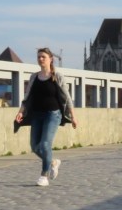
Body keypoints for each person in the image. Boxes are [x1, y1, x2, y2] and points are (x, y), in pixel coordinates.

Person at [14, 47, 78, 186]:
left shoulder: (57, 76)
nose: (40, 59)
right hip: (37, 115)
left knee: (45, 144)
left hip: (53, 114)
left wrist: (73, 116)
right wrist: (21, 112)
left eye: (43, 56)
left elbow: (67, 98)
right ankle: (53, 162)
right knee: (34, 147)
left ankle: (44, 175)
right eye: (39, 57)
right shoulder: (34, 77)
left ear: (50, 59)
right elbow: (27, 97)